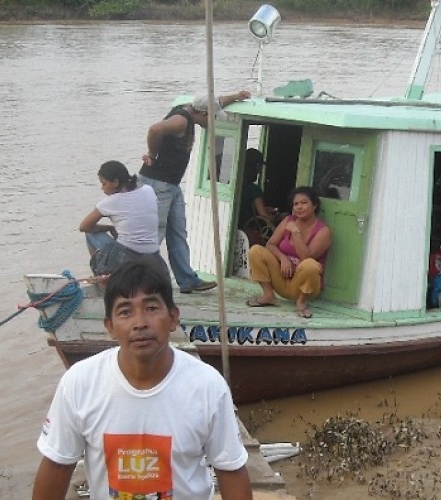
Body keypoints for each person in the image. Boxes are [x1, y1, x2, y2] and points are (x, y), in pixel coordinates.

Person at [32, 259, 253, 500]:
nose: (140, 323)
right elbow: (57, 463)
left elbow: (230, 469)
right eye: (125, 312)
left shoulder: (207, 385)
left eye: (151, 308)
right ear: (110, 326)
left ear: (173, 318)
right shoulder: (79, 382)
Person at [139, 90, 251, 294]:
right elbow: (155, 129)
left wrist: (237, 96)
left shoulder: (196, 108)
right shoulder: (181, 121)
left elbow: (216, 101)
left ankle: (187, 280)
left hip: (170, 185)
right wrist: (152, 154)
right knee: (154, 234)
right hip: (157, 183)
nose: (214, 121)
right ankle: (136, 280)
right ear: (203, 114)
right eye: (214, 117)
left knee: (178, 232)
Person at [246, 186, 332, 318]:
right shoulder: (288, 221)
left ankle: (301, 302)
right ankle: (268, 295)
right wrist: (283, 258)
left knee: (310, 264)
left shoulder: (323, 231)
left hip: (304, 286)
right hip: (282, 279)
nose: (299, 207)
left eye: (304, 203)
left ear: (314, 205)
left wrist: (296, 232)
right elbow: (270, 244)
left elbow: (306, 257)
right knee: (256, 251)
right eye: (296, 204)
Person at [79, 160, 169, 279]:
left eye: (104, 184)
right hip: (153, 255)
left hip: (129, 256)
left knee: (90, 233)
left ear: (115, 182)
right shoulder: (148, 190)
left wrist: (109, 228)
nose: (102, 188)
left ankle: (101, 274)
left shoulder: (111, 202)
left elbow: (84, 226)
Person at [238, 148, 274, 245]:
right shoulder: (254, 189)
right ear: (257, 166)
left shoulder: (235, 184)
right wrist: (277, 217)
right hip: (246, 232)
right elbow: (264, 216)